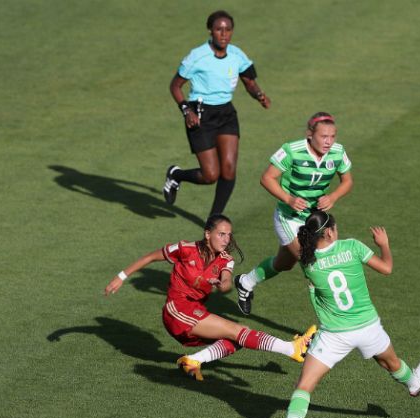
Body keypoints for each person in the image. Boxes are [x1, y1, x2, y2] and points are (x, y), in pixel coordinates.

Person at [256, 210, 420, 418]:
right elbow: (387, 268)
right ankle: (413, 383)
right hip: (368, 327)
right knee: (389, 362)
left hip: (334, 335)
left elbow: (315, 291)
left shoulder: (309, 262)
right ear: (329, 231)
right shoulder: (353, 247)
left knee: (305, 385)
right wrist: (384, 245)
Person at [104, 214, 316, 381]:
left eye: (228, 235)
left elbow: (225, 282)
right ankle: (291, 348)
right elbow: (151, 257)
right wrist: (121, 277)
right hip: (177, 311)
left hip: (195, 312)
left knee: (236, 339)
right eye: (221, 234)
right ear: (207, 234)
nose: (226, 240)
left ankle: (193, 361)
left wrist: (221, 284)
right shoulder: (185, 249)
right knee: (238, 331)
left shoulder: (226, 260)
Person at [234, 112, 353, 315]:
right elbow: (267, 178)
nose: (329, 141)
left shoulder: (338, 152)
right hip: (288, 218)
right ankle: (332, 318)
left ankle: (245, 282)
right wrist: (288, 199)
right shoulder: (292, 150)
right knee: (312, 264)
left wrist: (332, 197)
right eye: (324, 136)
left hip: (314, 220)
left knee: (284, 264)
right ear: (310, 134)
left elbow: (347, 181)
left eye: (333, 136)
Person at [162, 10, 271, 219]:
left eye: (228, 30)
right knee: (211, 175)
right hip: (200, 114)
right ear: (210, 30)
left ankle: (213, 219)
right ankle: (176, 175)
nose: (224, 34)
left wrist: (259, 95)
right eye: (219, 29)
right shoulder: (197, 56)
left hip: (226, 113)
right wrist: (186, 110)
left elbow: (249, 81)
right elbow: (175, 86)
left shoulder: (238, 55)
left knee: (229, 170)